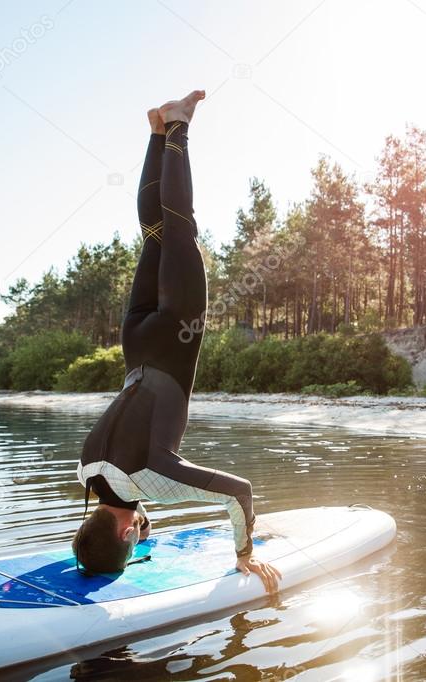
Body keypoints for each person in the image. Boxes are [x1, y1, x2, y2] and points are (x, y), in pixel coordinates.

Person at [71, 90, 282, 595]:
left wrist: (244, 554)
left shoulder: (148, 481)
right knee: (156, 234)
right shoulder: (85, 473)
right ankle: (156, 133)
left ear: (127, 529)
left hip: (171, 341)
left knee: (180, 229)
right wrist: (132, 529)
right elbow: (120, 502)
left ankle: (179, 125)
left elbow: (239, 493)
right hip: (136, 341)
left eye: (133, 533)